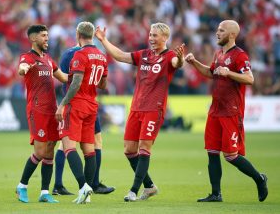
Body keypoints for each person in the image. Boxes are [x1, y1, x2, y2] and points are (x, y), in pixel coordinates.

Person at [95, 22, 185, 202]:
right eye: (150, 35)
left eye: (155, 36)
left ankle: (133, 191)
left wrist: (181, 59)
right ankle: (150, 187)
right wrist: (104, 40)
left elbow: (177, 63)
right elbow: (121, 56)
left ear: (165, 38)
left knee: (144, 148)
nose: (151, 38)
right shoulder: (143, 55)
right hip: (136, 108)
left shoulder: (169, 57)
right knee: (129, 150)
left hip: (154, 109)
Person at [185, 20, 268, 202]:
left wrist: (228, 73)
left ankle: (259, 178)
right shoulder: (219, 53)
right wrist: (194, 62)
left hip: (231, 110)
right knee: (212, 152)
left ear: (232, 35)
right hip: (215, 109)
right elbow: (211, 73)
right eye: (217, 30)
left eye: (221, 30)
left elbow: (249, 79)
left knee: (231, 156)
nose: (217, 33)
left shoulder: (240, 56)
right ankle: (216, 194)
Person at [52, 40, 115, 196]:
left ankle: (63, 185)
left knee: (66, 144)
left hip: (77, 103)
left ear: (78, 35)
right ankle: (90, 184)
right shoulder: (97, 55)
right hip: (84, 103)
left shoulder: (68, 54)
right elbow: (99, 83)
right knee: (89, 144)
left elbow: (65, 78)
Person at [16, 25, 68, 203]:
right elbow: (22, 67)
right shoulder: (27, 57)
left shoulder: (48, 59)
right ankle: (22, 186)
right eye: (43, 36)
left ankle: (44, 192)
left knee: (49, 152)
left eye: (47, 35)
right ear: (33, 39)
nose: (47, 38)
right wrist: (23, 69)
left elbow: (63, 77)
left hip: (52, 111)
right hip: (36, 109)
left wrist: (82, 75)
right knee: (39, 151)